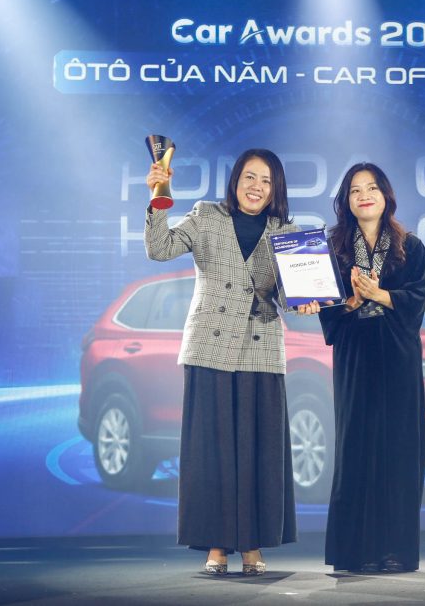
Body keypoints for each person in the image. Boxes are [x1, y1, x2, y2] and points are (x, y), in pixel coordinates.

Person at [145, 148, 299, 576]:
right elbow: (159, 249)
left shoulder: (288, 232)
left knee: (257, 452)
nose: (257, 187)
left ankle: (251, 545)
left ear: (276, 189)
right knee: (211, 452)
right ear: (235, 180)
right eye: (250, 177)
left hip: (260, 346)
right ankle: (216, 545)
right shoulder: (207, 216)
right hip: (209, 347)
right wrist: (158, 194)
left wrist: (308, 301)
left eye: (266, 180)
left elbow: (292, 297)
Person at [303, 162, 425, 573]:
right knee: (356, 448)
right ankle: (356, 551)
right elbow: (330, 315)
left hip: (398, 357)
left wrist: (379, 294)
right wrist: (353, 302)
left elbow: (415, 305)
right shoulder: (332, 251)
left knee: (399, 452)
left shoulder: (411, 248)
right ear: (347, 201)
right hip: (356, 357)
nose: (364, 196)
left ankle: (396, 550)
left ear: (385, 195)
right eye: (355, 190)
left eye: (372, 187)